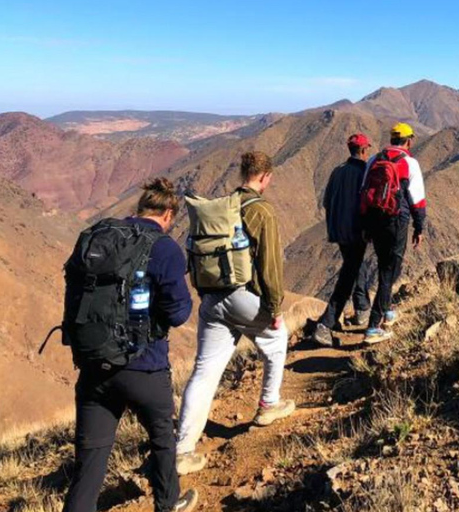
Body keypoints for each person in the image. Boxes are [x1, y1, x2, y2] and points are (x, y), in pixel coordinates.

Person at [62, 178, 198, 512]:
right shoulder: (163, 247)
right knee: (163, 438)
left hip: (94, 365)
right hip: (144, 365)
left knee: (90, 458)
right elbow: (179, 312)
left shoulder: (102, 237)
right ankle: (168, 504)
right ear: (168, 214)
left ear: (139, 209)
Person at [176, 151, 295, 475]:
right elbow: (270, 266)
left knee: (204, 372)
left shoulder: (222, 208)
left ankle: (182, 450)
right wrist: (273, 308)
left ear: (242, 173)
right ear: (265, 177)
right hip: (244, 297)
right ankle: (269, 405)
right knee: (276, 339)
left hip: (212, 300)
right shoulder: (261, 211)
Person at [361, 123, 427, 344]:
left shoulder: (374, 159)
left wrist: (366, 226)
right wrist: (419, 228)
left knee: (383, 265)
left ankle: (387, 309)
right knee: (391, 269)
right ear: (409, 141)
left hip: (374, 220)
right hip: (396, 221)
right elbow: (417, 200)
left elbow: (363, 193)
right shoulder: (410, 163)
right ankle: (373, 326)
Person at [312, 133, 374, 347]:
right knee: (348, 275)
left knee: (356, 266)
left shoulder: (337, 171)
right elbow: (369, 204)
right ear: (364, 150)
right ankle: (325, 325)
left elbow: (327, 201)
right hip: (357, 232)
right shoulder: (365, 173)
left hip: (338, 231)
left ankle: (363, 310)